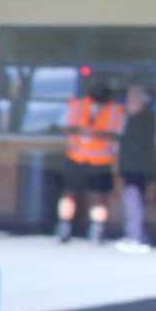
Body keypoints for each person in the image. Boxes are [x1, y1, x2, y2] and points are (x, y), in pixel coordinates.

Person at [57, 82, 126, 245]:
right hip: (76, 157)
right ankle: (64, 228)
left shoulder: (116, 111)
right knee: (69, 193)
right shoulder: (77, 106)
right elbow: (62, 126)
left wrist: (101, 135)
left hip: (101, 160)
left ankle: (97, 230)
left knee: (99, 196)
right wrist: (78, 131)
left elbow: (120, 135)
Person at [117, 86, 156, 254]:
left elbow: (137, 145)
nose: (129, 102)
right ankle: (134, 234)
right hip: (131, 166)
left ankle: (137, 236)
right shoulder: (134, 118)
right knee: (132, 200)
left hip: (139, 167)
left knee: (135, 201)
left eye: (132, 98)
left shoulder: (145, 118)